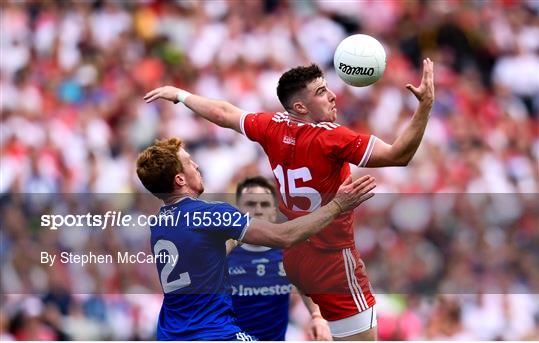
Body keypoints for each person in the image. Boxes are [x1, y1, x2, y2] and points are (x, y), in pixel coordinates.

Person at [143, 58, 434, 340]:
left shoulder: (273, 126)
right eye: (321, 92)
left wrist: (181, 95)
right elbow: (399, 154)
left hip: (294, 259)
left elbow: (224, 113)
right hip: (331, 256)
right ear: (300, 106)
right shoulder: (332, 137)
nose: (333, 96)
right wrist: (425, 106)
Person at [135, 138, 376, 340]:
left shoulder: (160, 223)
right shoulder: (209, 214)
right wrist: (337, 205)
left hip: (170, 333)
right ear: (179, 179)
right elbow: (285, 236)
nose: (196, 165)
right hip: (213, 333)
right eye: (189, 162)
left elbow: (208, 253)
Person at [227, 176, 332, 341]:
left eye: (265, 204)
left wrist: (317, 317)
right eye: (251, 204)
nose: (258, 210)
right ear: (238, 210)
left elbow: (306, 288)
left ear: (274, 212)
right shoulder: (224, 253)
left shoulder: (288, 252)